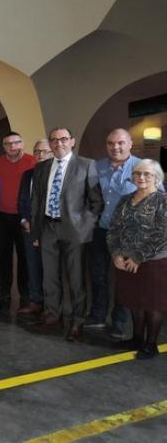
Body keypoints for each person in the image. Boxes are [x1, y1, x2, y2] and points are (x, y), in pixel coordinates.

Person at [30, 127, 103, 341]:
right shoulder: (42, 167)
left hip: (74, 231)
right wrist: (36, 230)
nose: (58, 143)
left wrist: (85, 227)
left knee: (76, 278)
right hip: (48, 228)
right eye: (54, 140)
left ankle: (77, 321)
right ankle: (53, 316)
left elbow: (96, 201)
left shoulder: (86, 165)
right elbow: (36, 201)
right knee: (50, 277)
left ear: (72, 141)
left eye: (63, 139)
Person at [107, 159, 167, 359]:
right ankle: (137, 339)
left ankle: (151, 345)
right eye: (137, 173)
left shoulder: (163, 200)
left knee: (153, 304)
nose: (141, 177)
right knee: (135, 301)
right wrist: (116, 253)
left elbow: (162, 233)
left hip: (154, 262)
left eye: (147, 174)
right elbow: (114, 229)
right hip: (125, 260)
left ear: (156, 177)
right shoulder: (125, 199)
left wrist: (138, 256)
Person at [85, 129, 140, 339]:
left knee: (124, 279)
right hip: (100, 231)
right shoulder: (97, 167)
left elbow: (157, 198)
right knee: (98, 275)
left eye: (120, 143)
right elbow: (88, 196)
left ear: (130, 143)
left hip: (126, 234)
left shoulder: (142, 167)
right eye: (110, 143)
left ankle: (119, 321)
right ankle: (98, 315)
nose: (115, 147)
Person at [0, 131, 36, 307]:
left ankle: (25, 292)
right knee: (4, 255)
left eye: (16, 143)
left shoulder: (32, 161)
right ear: (4, 147)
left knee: (25, 256)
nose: (12, 146)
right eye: (8, 144)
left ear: (22, 144)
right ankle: (5, 290)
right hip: (2, 216)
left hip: (24, 217)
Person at [17, 139, 53, 316]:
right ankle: (35, 300)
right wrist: (24, 220)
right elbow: (22, 200)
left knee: (51, 268)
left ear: (52, 154)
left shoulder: (57, 175)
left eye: (45, 151)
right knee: (32, 265)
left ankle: (52, 304)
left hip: (51, 230)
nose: (41, 155)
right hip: (30, 229)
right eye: (37, 151)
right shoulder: (27, 175)